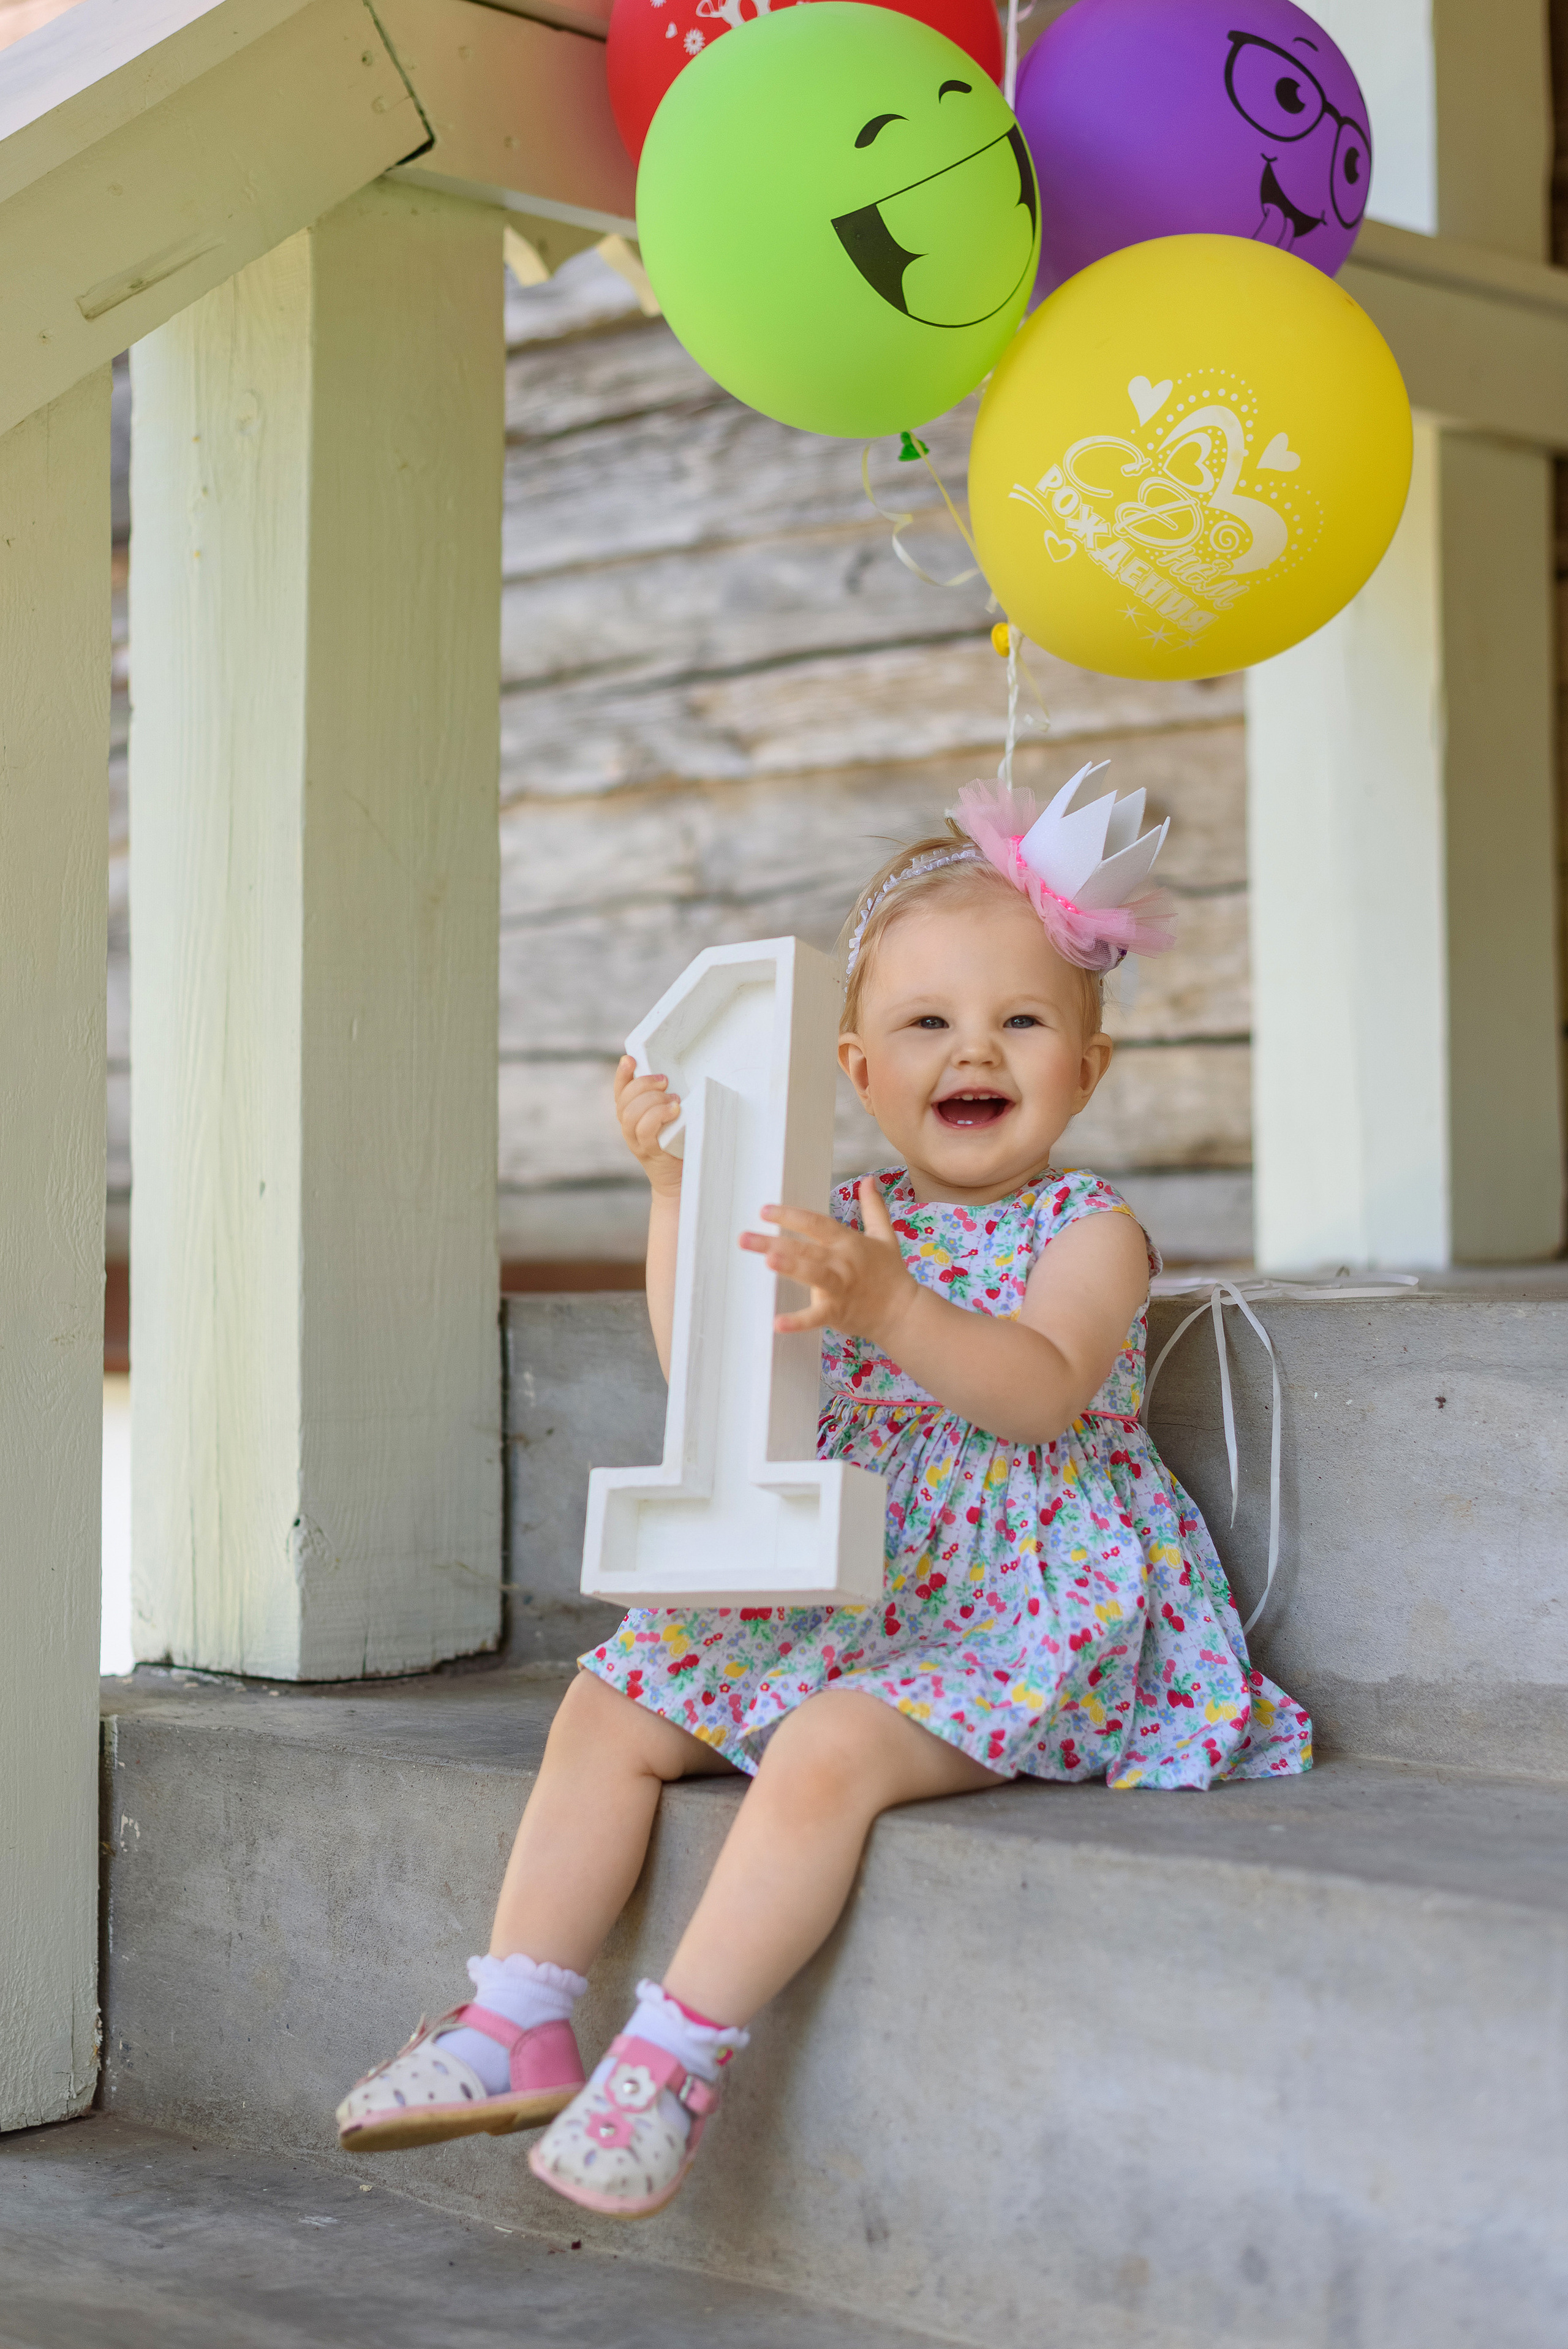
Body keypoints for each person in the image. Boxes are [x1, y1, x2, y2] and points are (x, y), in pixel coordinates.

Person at [334, 768, 1311, 2217]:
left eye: (1020, 1021)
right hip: (852, 1573)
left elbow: (1038, 1393)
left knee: (828, 1749)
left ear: (1085, 1068)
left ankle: (672, 2057)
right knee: (611, 1701)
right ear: (855, 1069)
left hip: (1018, 1603)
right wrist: (672, 1195)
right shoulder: (851, 1220)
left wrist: (891, 1308)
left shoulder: (1087, 1227)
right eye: (927, 1022)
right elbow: (710, 1368)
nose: (971, 1048)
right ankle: (515, 2018)